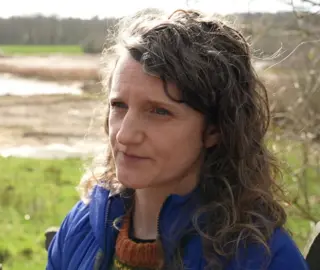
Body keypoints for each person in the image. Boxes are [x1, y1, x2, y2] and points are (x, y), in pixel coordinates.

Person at [46, 8, 309, 270]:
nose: (125, 135)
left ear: (215, 129)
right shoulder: (82, 226)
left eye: (159, 111)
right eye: (119, 105)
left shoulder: (262, 259)